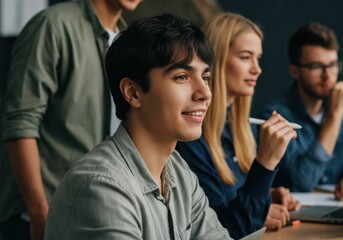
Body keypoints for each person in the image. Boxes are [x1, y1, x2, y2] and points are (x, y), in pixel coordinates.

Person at [45, 13, 232, 240]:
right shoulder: (102, 187)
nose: (205, 93)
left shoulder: (179, 171)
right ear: (133, 92)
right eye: (182, 76)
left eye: (205, 77)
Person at [0, 0, 141, 239]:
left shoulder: (128, 42)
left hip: (97, 213)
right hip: (42, 218)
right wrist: (38, 213)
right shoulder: (53, 26)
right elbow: (20, 123)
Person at [176, 12, 300, 239]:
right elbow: (225, 230)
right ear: (216, 61)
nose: (257, 69)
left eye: (258, 58)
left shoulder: (239, 130)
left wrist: (265, 196)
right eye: (245, 57)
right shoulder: (190, 135)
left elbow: (232, 206)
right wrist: (265, 164)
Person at [258, 23, 343, 193]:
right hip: (294, 215)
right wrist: (334, 117)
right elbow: (303, 181)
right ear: (295, 71)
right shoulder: (274, 116)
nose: (328, 75)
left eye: (333, 65)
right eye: (316, 67)